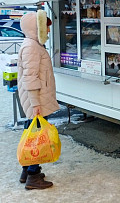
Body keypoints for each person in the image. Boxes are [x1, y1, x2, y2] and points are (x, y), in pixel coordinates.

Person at [17, 10, 60, 190]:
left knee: (32, 134)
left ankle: (27, 171)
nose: (48, 31)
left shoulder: (33, 45)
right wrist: (35, 105)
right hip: (36, 101)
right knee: (37, 138)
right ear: (37, 28)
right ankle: (33, 176)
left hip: (37, 99)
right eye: (46, 27)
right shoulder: (31, 47)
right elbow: (30, 78)